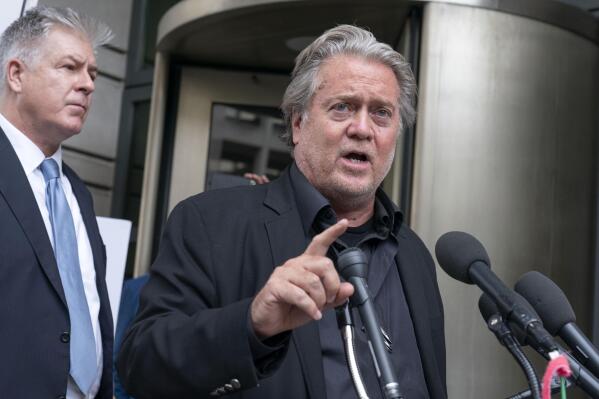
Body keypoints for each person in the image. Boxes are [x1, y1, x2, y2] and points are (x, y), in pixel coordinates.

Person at [118, 25, 446, 399]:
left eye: (381, 113)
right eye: (343, 107)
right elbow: (141, 366)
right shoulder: (210, 223)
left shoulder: (414, 254)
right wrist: (252, 324)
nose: (362, 128)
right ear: (297, 122)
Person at [0, 6, 113, 399]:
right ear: (17, 74)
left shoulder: (76, 193)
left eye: (93, 73)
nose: (88, 85)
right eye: (69, 67)